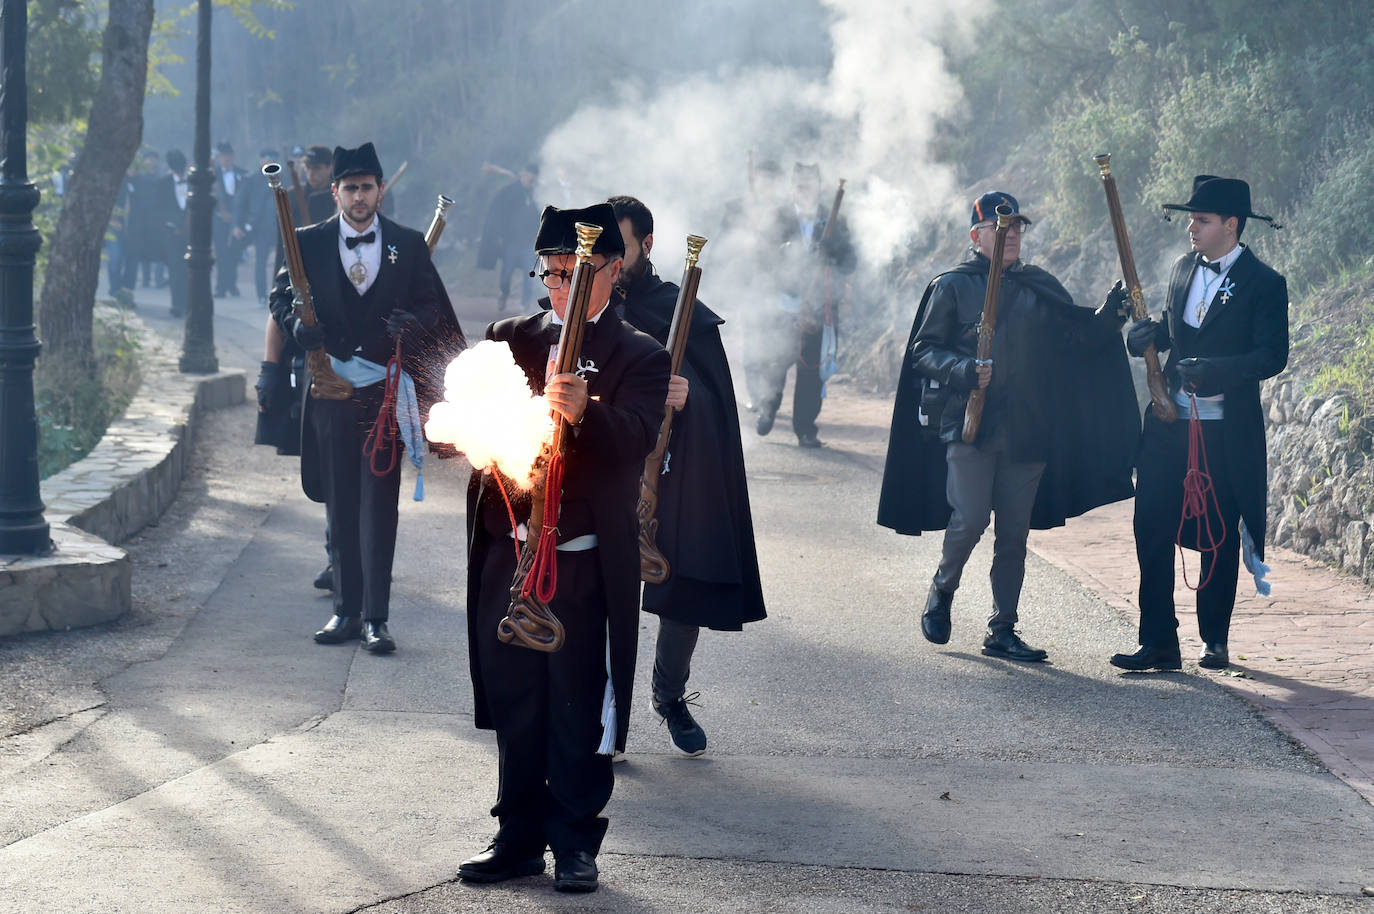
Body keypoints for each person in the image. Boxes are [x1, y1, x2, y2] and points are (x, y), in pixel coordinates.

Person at [459, 203, 669, 894]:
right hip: (511, 549)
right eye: (548, 271)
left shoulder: (639, 353)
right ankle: (516, 835)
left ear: (611, 270)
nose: (557, 285)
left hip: (580, 558)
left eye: (572, 271)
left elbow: (637, 437)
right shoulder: (509, 338)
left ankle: (576, 841)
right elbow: (468, 422)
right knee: (517, 699)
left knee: (579, 703)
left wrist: (587, 413)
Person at [877, 191, 1138, 662]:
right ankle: (943, 589)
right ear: (976, 235)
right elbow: (922, 351)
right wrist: (963, 371)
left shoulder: (1039, 285)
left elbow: (1071, 343)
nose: (1012, 234)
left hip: (1028, 429)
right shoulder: (952, 286)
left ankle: (1002, 629)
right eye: (1001, 228)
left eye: (1017, 227)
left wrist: (1104, 321)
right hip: (971, 426)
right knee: (970, 518)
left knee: (1014, 535)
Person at [268, 142, 463, 653]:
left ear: (380, 191)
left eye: (367, 187)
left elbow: (433, 306)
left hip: (383, 395)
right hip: (331, 389)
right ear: (334, 191)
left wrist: (414, 322)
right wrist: (297, 327)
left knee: (380, 507)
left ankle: (377, 618)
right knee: (340, 505)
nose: (359, 196)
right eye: (350, 188)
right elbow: (281, 296)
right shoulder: (304, 242)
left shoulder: (408, 245)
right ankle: (345, 613)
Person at [607, 195, 766, 757]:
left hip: (669, 470)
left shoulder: (678, 307)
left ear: (646, 246)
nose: (606, 258)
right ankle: (609, 720)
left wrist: (688, 393)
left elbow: (716, 394)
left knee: (681, 586)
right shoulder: (583, 300)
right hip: (603, 462)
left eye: (618, 246)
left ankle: (668, 695)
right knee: (599, 593)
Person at [1110, 176, 1288, 672]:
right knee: (1150, 524)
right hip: (1168, 423)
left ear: (1231, 225)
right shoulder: (1182, 268)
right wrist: (1145, 337)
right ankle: (1159, 642)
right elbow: (1173, 332)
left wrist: (1218, 372)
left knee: (1218, 534)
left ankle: (1215, 639)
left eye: (1201, 220)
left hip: (1224, 432)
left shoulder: (1266, 283)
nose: (1191, 227)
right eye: (1191, 218)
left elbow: (1273, 355)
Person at [754, 162, 857, 448]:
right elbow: (762, 257)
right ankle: (767, 408)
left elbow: (850, 260)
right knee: (775, 361)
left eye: (810, 185)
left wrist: (831, 251)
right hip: (783, 303)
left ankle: (805, 429)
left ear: (819, 187)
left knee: (810, 370)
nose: (805, 190)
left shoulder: (836, 221)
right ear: (792, 188)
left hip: (819, 305)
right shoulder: (778, 217)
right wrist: (786, 253)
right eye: (799, 185)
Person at [477, 163, 541, 311]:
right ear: (523, 175)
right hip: (511, 241)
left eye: (533, 178)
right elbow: (499, 214)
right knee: (506, 273)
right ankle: (504, 293)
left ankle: (525, 304)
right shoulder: (509, 192)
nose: (530, 180)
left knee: (529, 274)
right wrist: (499, 234)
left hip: (529, 243)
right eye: (528, 176)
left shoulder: (537, 194)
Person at [234, 148, 283, 305]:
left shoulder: (284, 177)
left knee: (283, 262)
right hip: (260, 228)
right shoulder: (252, 179)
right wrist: (237, 225)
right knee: (260, 262)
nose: (270, 160)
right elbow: (239, 204)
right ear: (260, 160)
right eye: (267, 157)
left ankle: (280, 294)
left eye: (274, 157)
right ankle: (261, 295)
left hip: (280, 227)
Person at [157, 149, 191, 318]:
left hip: (191, 233)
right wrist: (176, 224)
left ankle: (188, 302)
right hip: (171, 233)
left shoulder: (193, 181)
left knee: (190, 269)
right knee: (175, 269)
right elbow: (160, 209)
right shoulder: (163, 183)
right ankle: (177, 304)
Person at [213, 141, 246, 297]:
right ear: (218, 158)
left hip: (237, 220)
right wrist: (221, 213)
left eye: (228, 155)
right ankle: (221, 286)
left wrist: (237, 217)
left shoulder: (242, 173)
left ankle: (232, 284)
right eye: (223, 156)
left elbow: (246, 198)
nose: (226, 158)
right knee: (221, 254)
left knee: (234, 253)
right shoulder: (212, 174)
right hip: (219, 220)